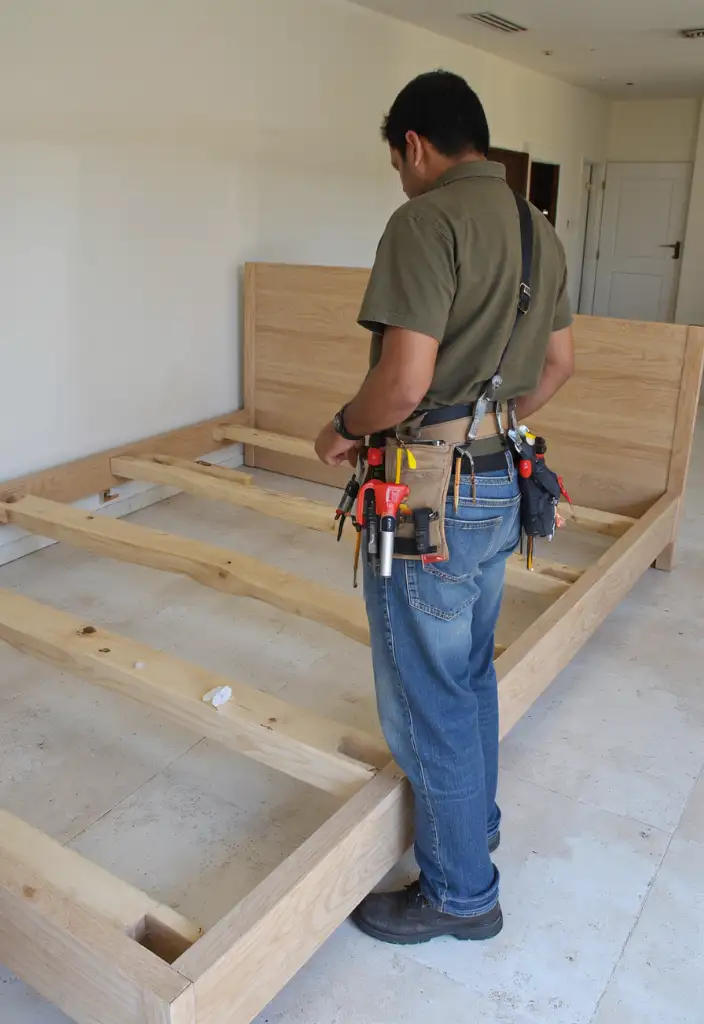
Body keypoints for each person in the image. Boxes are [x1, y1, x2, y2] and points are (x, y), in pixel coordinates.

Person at [314, 70, 574, 945]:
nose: (400, 179)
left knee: (427, 693)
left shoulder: (423, 222)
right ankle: (477, 827)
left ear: (415, 146)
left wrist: (343, 428)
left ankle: (461, 892)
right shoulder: (539, 230)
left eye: (398, 162)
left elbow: (404, 380)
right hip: (504, 482)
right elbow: (560, 367)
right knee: (467, 674)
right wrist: (491, 431)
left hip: (432, 494)